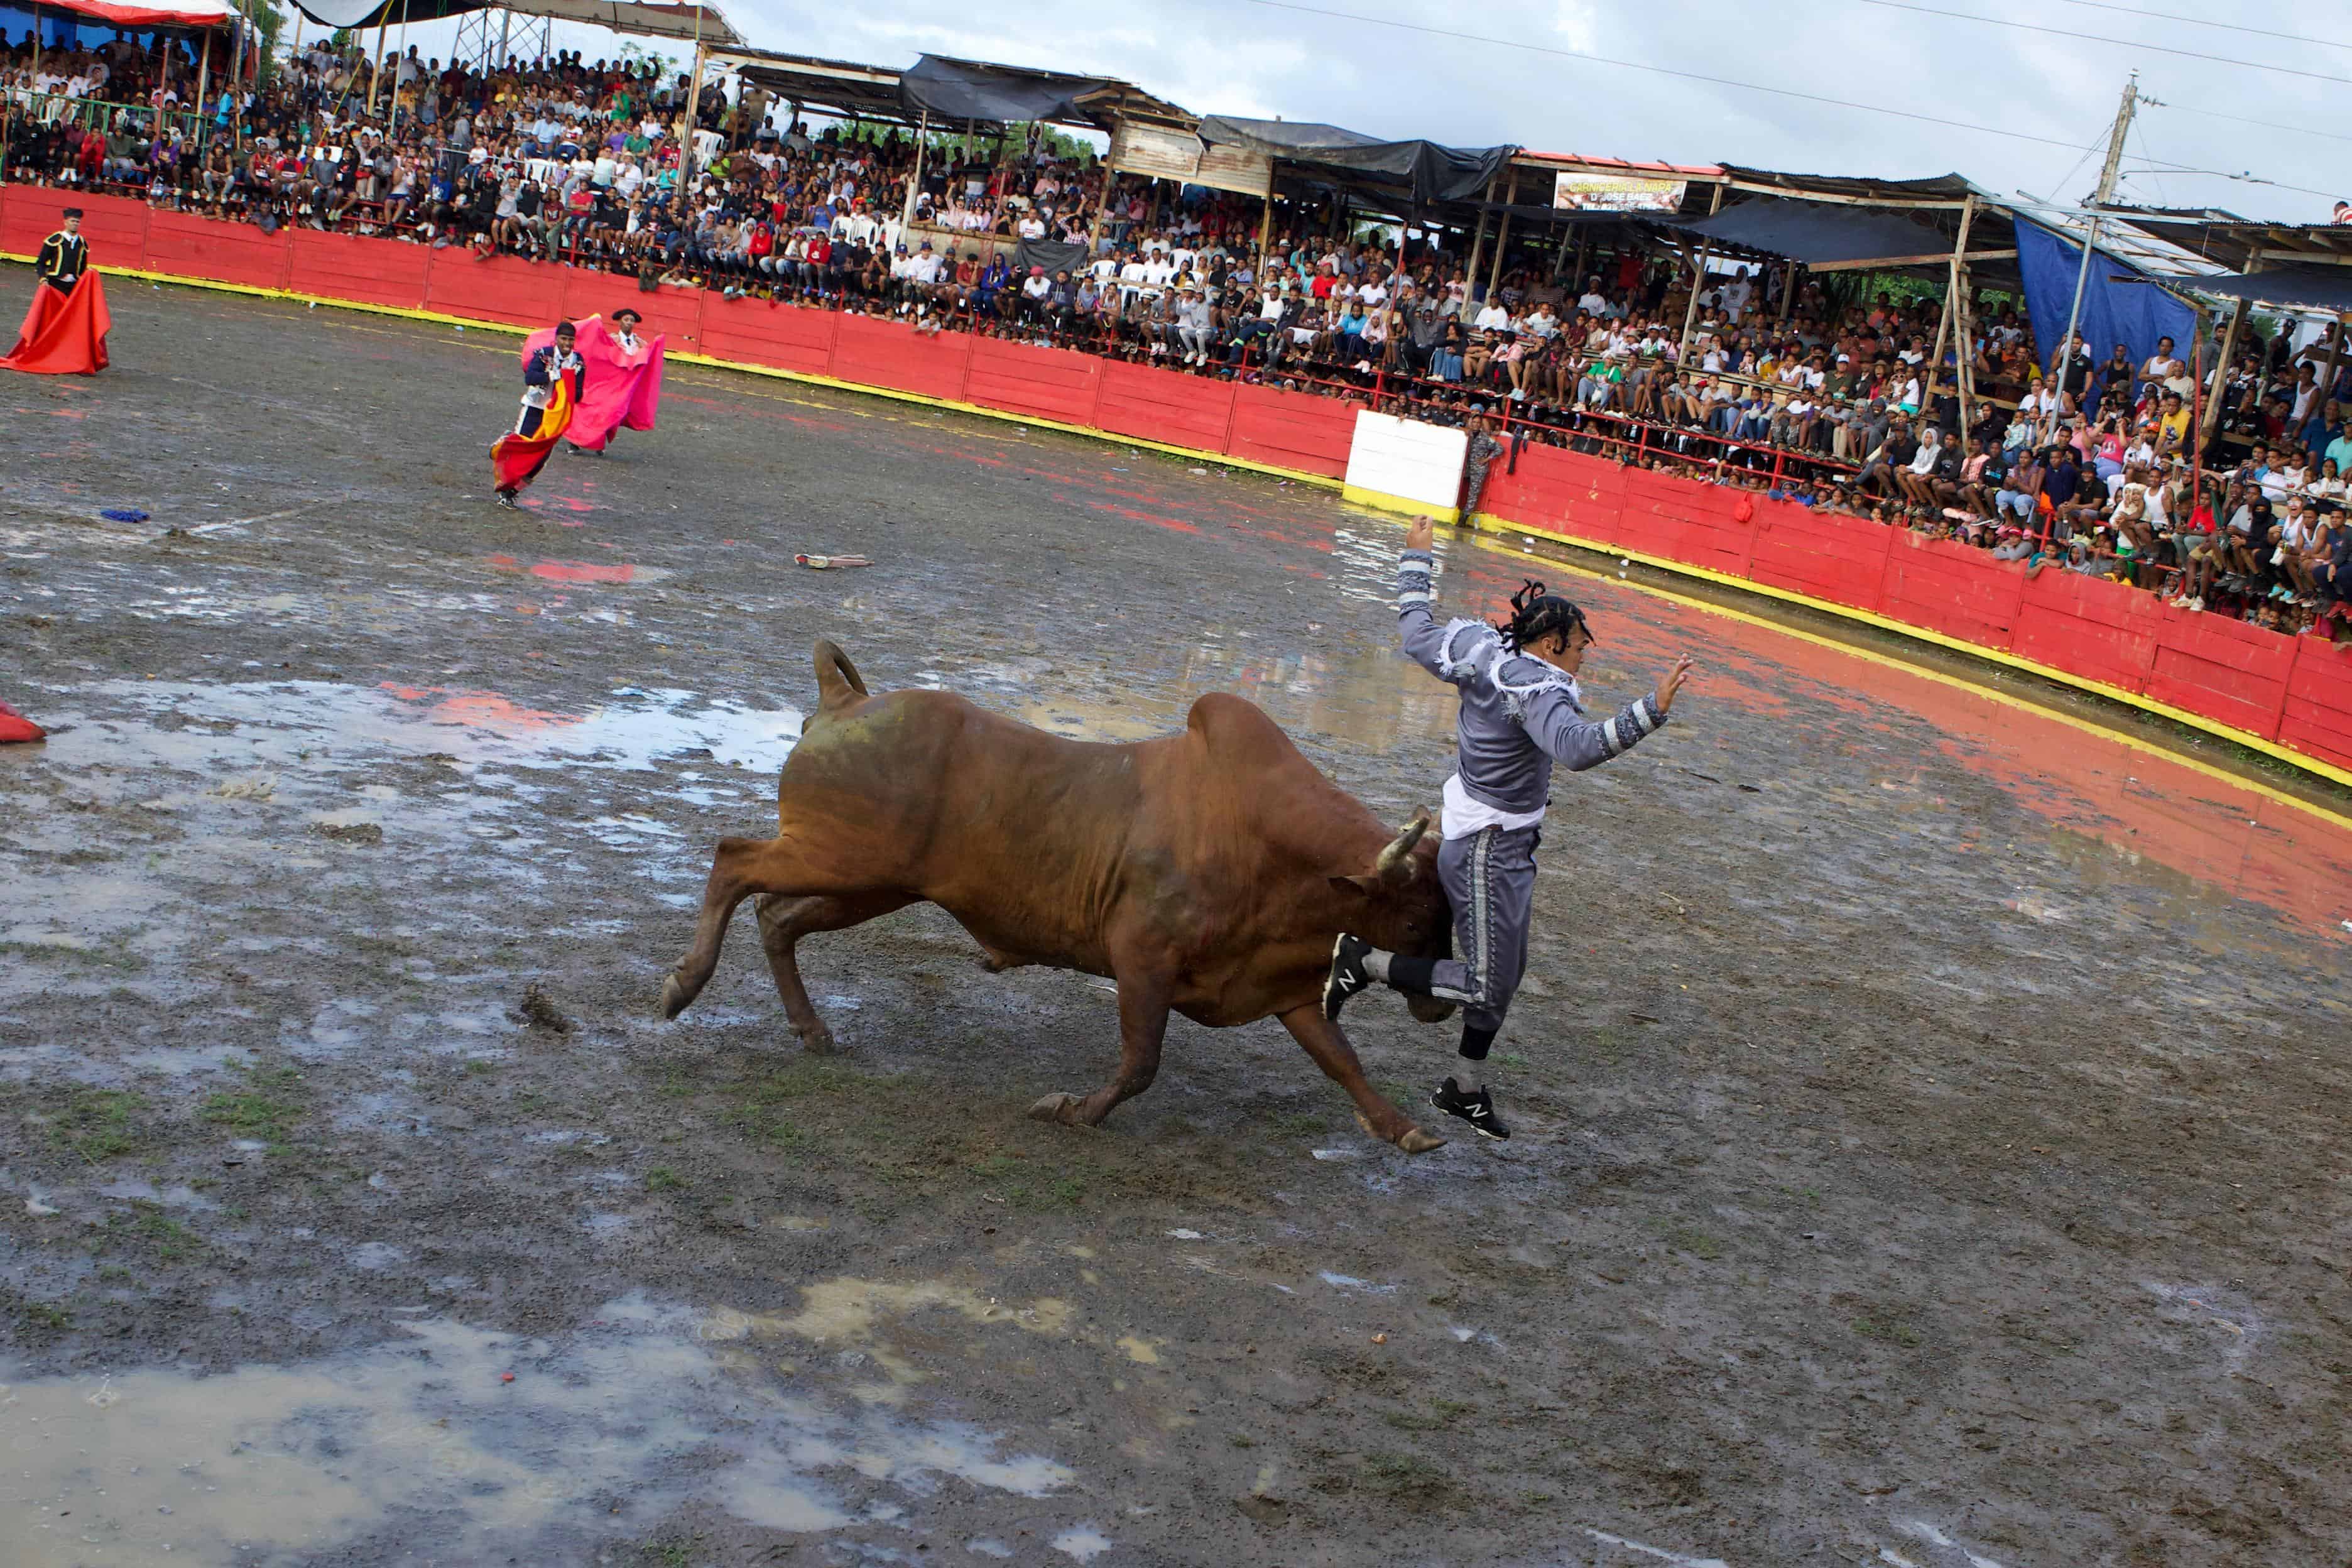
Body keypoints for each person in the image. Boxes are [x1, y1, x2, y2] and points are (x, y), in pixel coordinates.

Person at [1324, 516, 1695, 1140]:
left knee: (1508, 972)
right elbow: (1577, 750)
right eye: (1578, 645)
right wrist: (1650, 711)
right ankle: (1364, 963)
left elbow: (1417, 635)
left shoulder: (1480, 650)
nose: (1583, 656)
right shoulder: (1539, 691)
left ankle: (1464, 1088)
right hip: (1486, 850)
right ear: (1550, 644)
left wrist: (1417, 560)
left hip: (1499, 838)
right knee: (1485, 980)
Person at [491, 320, 585, 507]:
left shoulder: (578, 361)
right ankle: (501, 447)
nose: (567, 344)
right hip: (534, 408)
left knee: (540, 458)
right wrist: (553, 376)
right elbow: (530, 378)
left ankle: (512, 492)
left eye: (571, 340)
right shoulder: (544, 354)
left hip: (555, 415)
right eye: (564, 339)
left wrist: (570, 383)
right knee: (521, 448)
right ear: (556, 339)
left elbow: (579, 394)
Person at [36, 209, 90, 295]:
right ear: (65, 222)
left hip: (74, 287)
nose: (75, 224)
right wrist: (43, 279)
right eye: (72, 221)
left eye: (78, 222)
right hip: (55, 284)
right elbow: (40, 263)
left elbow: (83, 267)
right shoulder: (54, 240)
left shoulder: (82, 243)